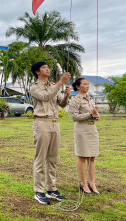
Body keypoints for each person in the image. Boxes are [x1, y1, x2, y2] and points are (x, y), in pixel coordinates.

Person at [30, 62, 71, 205]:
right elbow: (46, 97)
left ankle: (52, 189)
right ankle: (39, 192)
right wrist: (60, 82)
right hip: (42, 123)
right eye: (44, 68)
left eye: (48, 67)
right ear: (37, 72)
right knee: (41, 158)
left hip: (55, 123)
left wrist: (66, 96)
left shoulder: (53, 85)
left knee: (53, 158)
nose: (47, 69)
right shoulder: (34, 87)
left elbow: (62, 104)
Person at [69, 78, 101, 195]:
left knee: (92, 158)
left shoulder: (90, 99)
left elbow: (92, 114)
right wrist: (90, 114)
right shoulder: (75, 100)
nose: (87, 86)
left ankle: (92, 183)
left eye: (88, 84)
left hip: (92, 129)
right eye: (84, 84)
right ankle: (83, 183)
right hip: (82, 130)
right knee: (82, 157)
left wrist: (96, 115)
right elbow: (75, 117)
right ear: (78, 86)